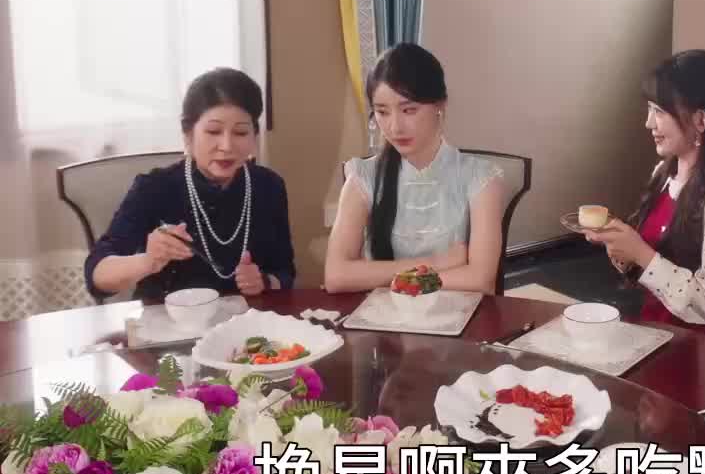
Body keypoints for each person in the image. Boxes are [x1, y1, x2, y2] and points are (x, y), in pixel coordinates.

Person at [87, 68, 295, 302]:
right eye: (213, 131)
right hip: (167, 319)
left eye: (240, 132)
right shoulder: (154, 188)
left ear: (254, 137)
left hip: (245, 319)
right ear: (188, 135)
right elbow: (96, 276)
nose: (227, 146)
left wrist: (264, 281)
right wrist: (148, 261)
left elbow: (285, 272)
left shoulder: (268, 186)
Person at [586, 49, 705, 333]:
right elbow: (651, 272)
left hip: (700, 347)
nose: (648, 123)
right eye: (650, 109)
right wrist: (622, 248)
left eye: (660, 111)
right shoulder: (664, 174)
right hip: (653, 333)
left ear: (701, 120)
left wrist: (641, 253)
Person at [324, 44, 504, 295]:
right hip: (382, 315)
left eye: (409, 110)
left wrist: (377, 277)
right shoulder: (363, 176)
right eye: (382, 112)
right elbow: (336, 276)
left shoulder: (481, 178)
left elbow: (480, 280)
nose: (395, 127)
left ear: (440, 105)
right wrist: (437, 263)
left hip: (459, 314)